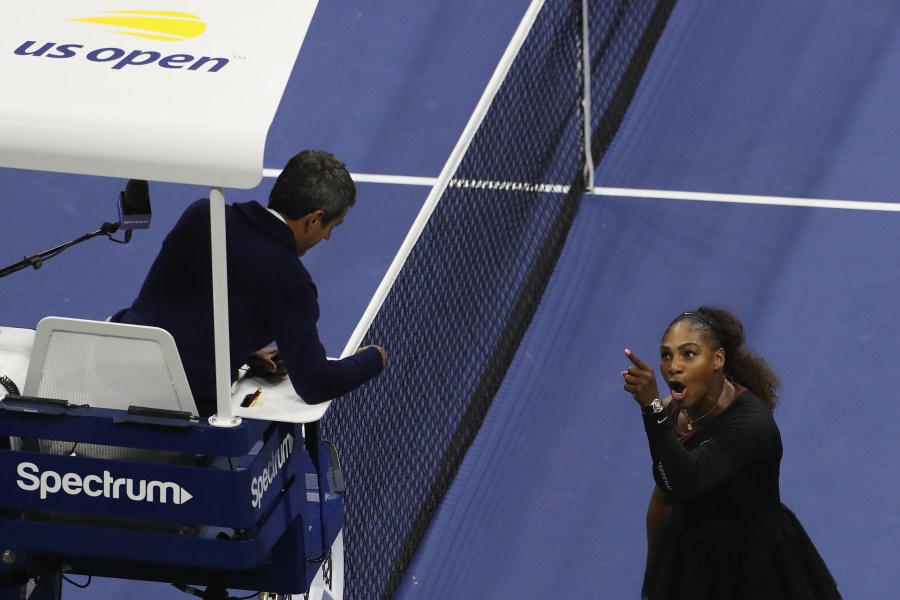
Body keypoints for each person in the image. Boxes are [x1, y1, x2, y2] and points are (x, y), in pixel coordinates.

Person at [112, 150, 387, 417]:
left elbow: (190, 308)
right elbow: (316, 384)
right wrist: (373, 358)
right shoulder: (290, 279)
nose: (327, 236)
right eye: (332, 226)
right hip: (177, 404)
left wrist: (239, 350)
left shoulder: (202, 214)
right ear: (314, 220)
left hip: (111, 367)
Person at [621, 306, 841, 600]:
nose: (674, 365)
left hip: (758, 568)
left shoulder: (751, 426)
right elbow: (663, 497)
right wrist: (656, 574)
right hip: (693, 563)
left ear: (718, 359)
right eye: (666, 355)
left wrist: (652, 411)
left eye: (688, 354)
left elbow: (686, 481)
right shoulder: (672, 413)